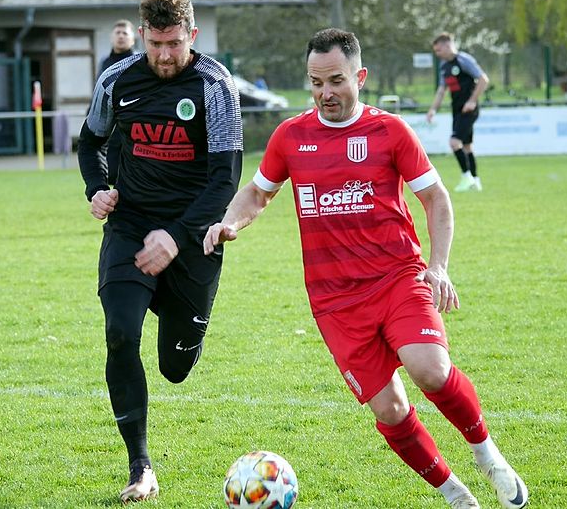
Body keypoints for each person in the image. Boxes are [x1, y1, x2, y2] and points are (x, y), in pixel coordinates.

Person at [204, 29, 527, 509]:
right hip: (334, 301)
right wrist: (230, 222)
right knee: (390, 409)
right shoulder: (291, 136)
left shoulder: (390, 131)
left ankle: (488, 456)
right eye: (316, 83)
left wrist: (438, 267)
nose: (325, 93)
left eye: (336, 80)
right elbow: (258, 192)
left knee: (431, 370)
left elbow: (436, 199)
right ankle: (455, 494)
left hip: (397, 278)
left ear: (360, 77)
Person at [77, 0, 243, 503]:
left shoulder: (215, 85)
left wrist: (176, 236)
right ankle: (140, 466)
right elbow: (90, 141)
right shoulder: (117, 79)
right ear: (142, 35)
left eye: (174, 43)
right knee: (120, 334)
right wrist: (97, 188)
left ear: (192, 35)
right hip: (130, 228)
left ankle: (174, 310)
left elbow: (225, 179)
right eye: (155, 44)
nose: (165, 55)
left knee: (175, 367)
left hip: (193, 238)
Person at [425, 32, 489, 192]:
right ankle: (475, 181)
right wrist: (433, 109)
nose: (437, 54)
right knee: (467, 146)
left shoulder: (463, 60)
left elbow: (483, 79)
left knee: (454, 142)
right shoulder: (443, 66)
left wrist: (472, 101)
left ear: (448, 45)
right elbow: (441, 90)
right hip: (457, 109)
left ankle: (466, 177)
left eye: (439, 50)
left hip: (469, 109)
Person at [96, 19, 138, 186]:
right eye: (118, 33)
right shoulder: (104, 63)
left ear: (133, 39)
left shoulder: (139, 62)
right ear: (111, 37)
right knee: (111, 172)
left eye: (125, 33)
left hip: (131, 122)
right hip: (109, 124)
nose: (121, 36)